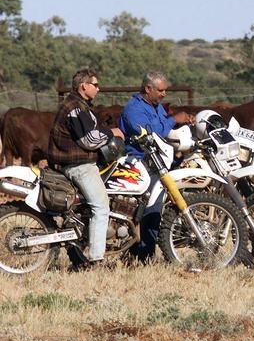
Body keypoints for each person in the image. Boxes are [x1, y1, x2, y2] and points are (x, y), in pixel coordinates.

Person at [48, 67, 124, 266]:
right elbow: (89, 141)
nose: (99, 89)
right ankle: (96, 258)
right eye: (95, 85)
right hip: (79, 165)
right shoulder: (75, 108)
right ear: (84, 86)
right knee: (101, 206)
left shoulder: (79, 105)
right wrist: (112, 132)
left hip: (78, 162)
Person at [118, 71, 193, 262]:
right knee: (152, 207)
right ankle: (145, 254)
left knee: (156, 207)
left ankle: (145, 251)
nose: (164, 94)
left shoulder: (156, 107)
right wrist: (174, 119)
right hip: (141, 163)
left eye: (165, 90)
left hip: (158, 161)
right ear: (148, 88)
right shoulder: (133, 110)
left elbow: (164, 129)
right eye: (160, 90)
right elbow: (151, 133)